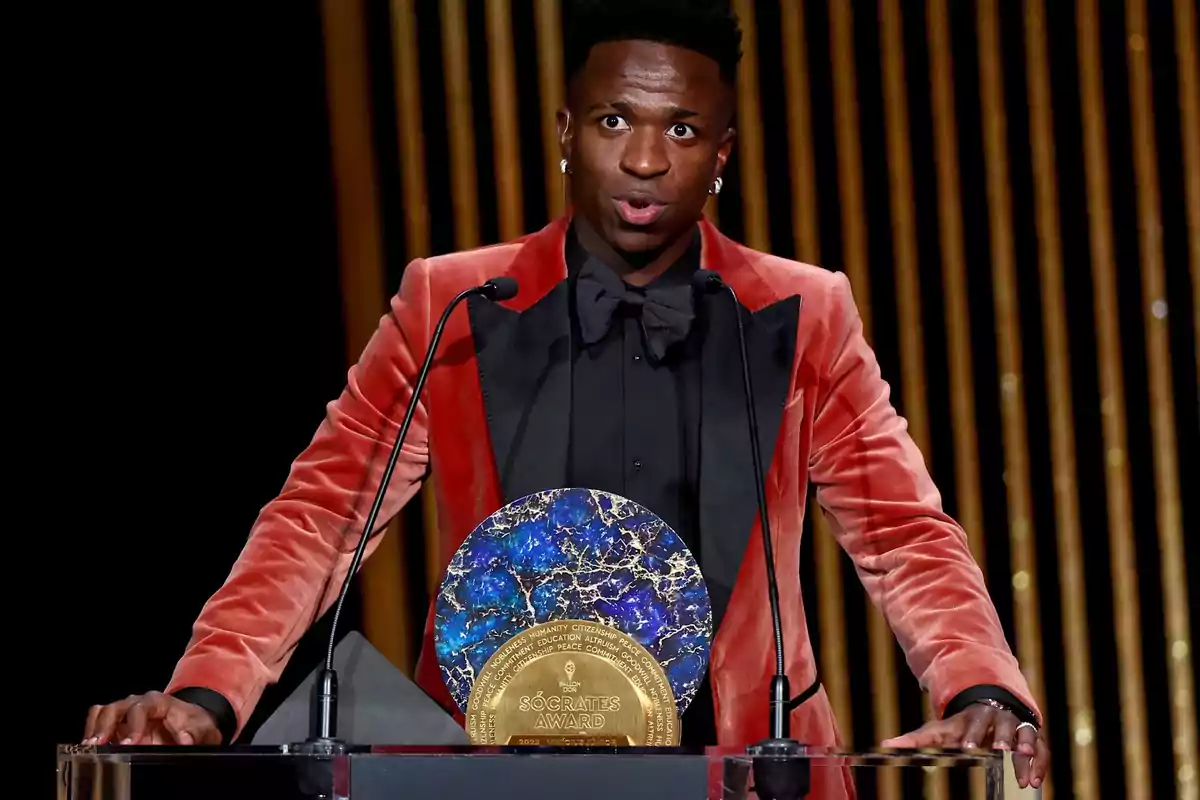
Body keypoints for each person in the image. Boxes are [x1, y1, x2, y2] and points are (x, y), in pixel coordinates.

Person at [83, 0, 1048, 791]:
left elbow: (904, 535)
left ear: (723, 151)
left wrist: (983, 688)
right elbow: (321, 514)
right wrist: (206, 695)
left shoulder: (802, 313)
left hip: (745, 770)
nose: (640, 162)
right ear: (565, 128)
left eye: (680, 130)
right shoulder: (450, 302)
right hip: (489, 770)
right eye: (614, 121)